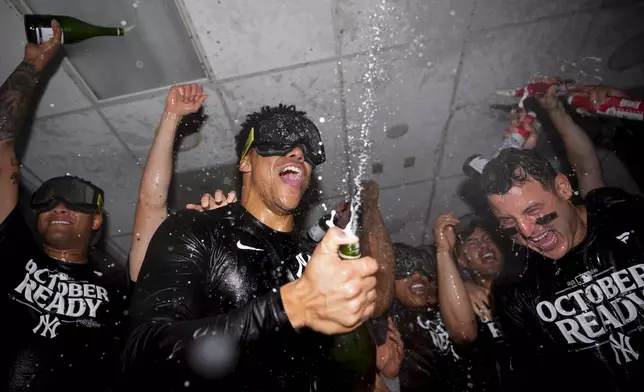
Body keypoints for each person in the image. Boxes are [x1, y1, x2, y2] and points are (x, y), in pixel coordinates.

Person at [124, 104, 379, 391]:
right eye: (278, 139)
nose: (298, 153)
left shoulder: (318, 259)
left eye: (307, 148)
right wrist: (289, 307)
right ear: (246, 161)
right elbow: (144, 355)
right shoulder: (199, 228)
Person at [0, 20, 129, 392]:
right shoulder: (11, 249)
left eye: (74, 198)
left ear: (96, 221)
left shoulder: (118, 288)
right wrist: (32, 64)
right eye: (47, 199)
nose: (58, 204)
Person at [480, 142, 644, 391]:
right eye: (508, 222)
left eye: (533, 211)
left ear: (563, 188)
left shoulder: (629, 219)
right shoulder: (515, 288)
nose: (526, 232)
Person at [128, 82, 237, 281]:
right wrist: (171, 116)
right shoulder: (156, 279)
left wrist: (229, 234)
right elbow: (151, 202)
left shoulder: (236, 291)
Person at [386, 243, 474, 392]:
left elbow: (467, 334)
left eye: (423, 269)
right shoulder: (390, 324)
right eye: (405, 268)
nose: (418, 275)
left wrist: (467, 285)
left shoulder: (447, 308)